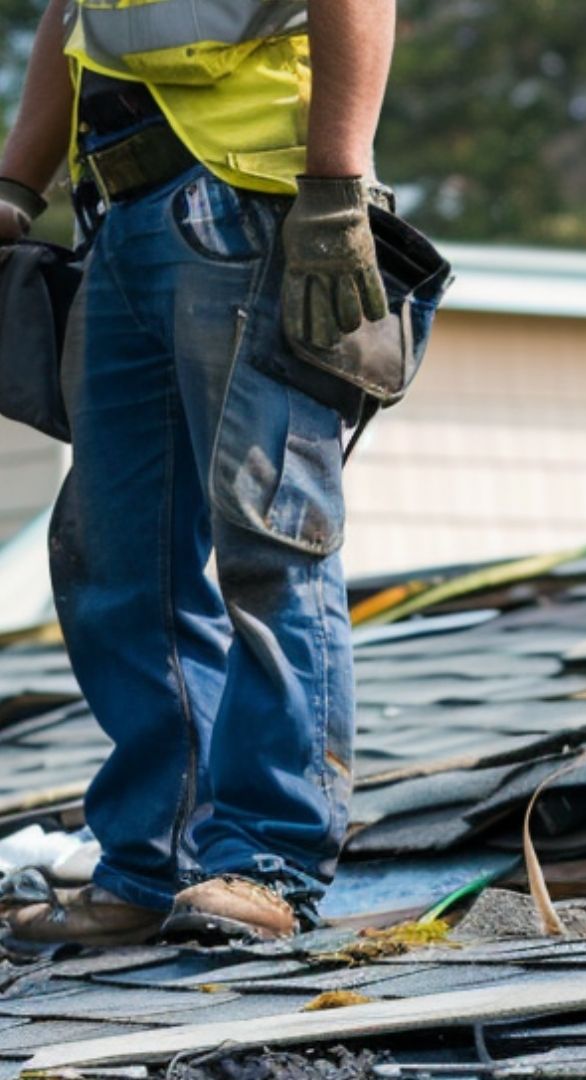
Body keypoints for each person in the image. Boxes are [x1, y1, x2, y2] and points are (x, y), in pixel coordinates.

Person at [0, 0, 395, 944]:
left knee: (268, 537)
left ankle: (268, 860)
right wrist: (17, 183)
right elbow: (73, 17)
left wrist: (335, 186)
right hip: (124, 214)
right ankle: (153, 862)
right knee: (115, 556)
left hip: (250, 199)